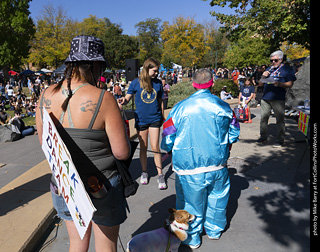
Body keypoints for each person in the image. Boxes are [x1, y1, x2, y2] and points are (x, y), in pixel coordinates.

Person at [35, 35, 130, 252]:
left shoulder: (45, 95)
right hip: (101, 184)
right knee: (106, 247)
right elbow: (121, 152)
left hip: (64, 184)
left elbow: (44, 143)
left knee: (77, 245)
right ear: (96, 65)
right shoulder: (103, 98)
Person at [161, 68, 240, 249]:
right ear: (212, 83)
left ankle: (191, 238)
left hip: (189, 167)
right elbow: (234, 130)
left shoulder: (180, 108)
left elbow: (167, 134)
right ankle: (214, 230)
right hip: (217, 164)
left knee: (189, 203)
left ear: (193, 83)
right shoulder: (223, 106)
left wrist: (167, 149)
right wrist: (225, 144)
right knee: (217, 198)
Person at [118, 58, 167, 190]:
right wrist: (123, 100)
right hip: (141, 119)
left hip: (155, 118)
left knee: (155, 146)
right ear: (147, 69)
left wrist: (162, 115)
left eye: (157, 71)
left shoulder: (158, 83)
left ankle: (160, 174)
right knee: (143, 147)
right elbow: (128, 98)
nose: (157, 73)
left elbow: (161, 101)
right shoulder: (135, 83)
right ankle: (144, 172)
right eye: (154, 71)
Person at [257, 50, 296, 147]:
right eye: (271, 60)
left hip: (278, 98)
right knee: (264, 118)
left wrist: (279, 84)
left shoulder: (286, 69)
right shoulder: (269, 69)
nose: (273, 62)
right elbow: (260, 84)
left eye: (275, 60)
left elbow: (290, 84)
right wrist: (263, 76)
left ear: (281, 59)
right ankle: (263, 136)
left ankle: (280, 139)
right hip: (266, 97)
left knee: (279, 119)